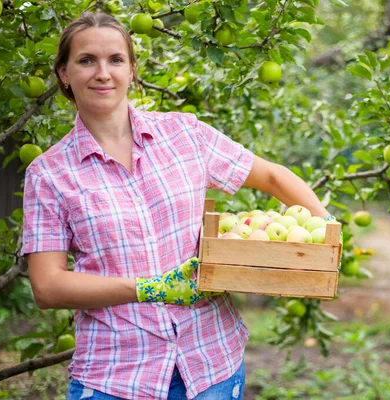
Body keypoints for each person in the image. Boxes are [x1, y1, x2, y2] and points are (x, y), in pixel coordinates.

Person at [21, 11, 331, 400]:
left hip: (211, 363)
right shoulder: (49, 174)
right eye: (87, 60)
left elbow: (272, 177)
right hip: (117, 374)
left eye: (116, 60)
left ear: (132, 70)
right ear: (64, 73)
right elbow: (48, 287)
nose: (103, 73)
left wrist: (327, 229)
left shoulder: (184, 134)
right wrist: (149, 289)